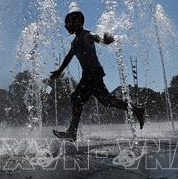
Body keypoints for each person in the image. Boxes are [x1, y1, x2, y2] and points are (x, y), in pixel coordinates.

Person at [49, 11, 145, 141]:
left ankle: (72, 132)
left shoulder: (86, 35)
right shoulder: (75, 41)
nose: (66, 26)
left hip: (92, 73)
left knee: (77, 98)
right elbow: (69, 56)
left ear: (77, 23)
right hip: (91, 73)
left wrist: (105, 40)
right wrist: (59, 71)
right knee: (106, 100)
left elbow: (98, 38)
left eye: (68, 23)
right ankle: (136, 110)